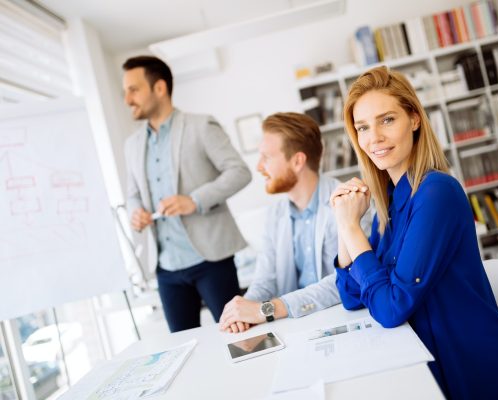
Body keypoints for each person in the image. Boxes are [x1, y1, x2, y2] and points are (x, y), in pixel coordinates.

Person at [329, 66, 498, 400]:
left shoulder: (436, 193)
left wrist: (352, 227)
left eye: (387, 120)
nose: (374, 137)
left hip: (471, 373)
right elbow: (351, 295)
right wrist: (343, 223)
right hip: (428, 362)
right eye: (363, 127)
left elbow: (391, 308)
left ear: (414, 119)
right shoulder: (392, 203)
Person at [122, 55, 251, 333]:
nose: (127, 99)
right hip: (166, 269)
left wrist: (194, 200)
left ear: (159, 88)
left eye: (133, 90)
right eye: (125, 92)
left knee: (239, 338)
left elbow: (239, 171)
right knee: (183, 350)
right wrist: (136, 212)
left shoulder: (200, 126)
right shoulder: (131, 146)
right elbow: (132, 194)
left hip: (212, 260)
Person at [218, 112, 340, 333]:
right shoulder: (275, 214)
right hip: (296, 328)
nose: (258, 166)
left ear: (297, 161)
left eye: (267, 157)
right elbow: (266, 279)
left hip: (337, 321)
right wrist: (243, 310)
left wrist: (267, 309)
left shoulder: (343, 202)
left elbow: (344, 283)